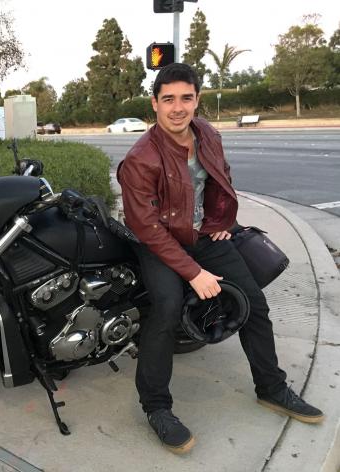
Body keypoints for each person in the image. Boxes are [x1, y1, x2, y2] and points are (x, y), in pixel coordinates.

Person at [116, 63, 323, 454]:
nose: (178, 108)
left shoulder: (206, 134)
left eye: (186, 98)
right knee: (166, 309)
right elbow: (145, 226)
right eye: (168, 99)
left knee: (253, 304)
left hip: (202, 236)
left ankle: (271, 387)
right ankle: (157, 407)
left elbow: (219, 177)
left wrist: (222, 220)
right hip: (158, 242)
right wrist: (194, 273)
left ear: (197, 99)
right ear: (154, 104)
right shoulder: (142, 158)